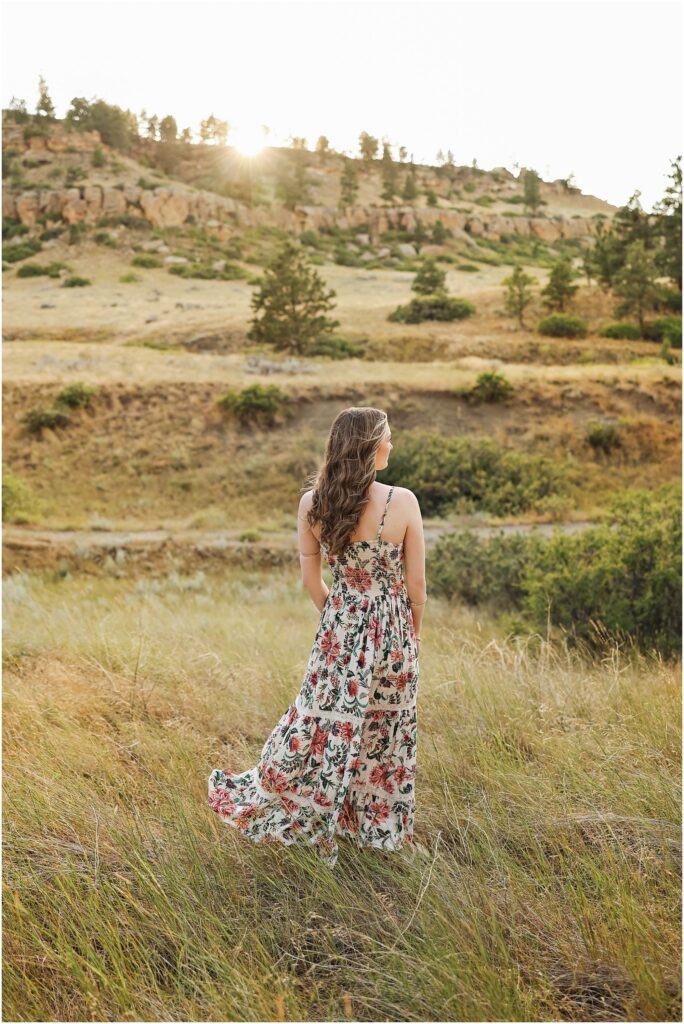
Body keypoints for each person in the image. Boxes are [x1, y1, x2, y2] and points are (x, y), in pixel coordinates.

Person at [207, 407, 427, 868]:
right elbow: (417, 590)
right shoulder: (402, 502)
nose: (392, 445)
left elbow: (312, 581)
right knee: (385, 732)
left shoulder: (313, 504)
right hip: (393, 634)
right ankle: (374, 829)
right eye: (387, 438)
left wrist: (342, 623)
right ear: (369, 445)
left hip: (339, 629)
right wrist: (411, 638)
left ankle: (307, 807)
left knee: (322, 722)